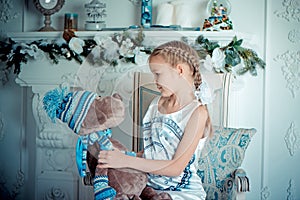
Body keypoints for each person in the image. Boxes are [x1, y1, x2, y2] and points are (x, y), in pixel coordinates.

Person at [97, 40, 213, 200]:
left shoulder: (197, 113)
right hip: (148, 187)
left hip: (182, 194)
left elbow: (175, 168)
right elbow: (153, 152)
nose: (155, 80)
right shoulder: (155, 105)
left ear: (179, 70)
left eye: (158, 74)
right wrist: (123, 155)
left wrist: (126, 160)